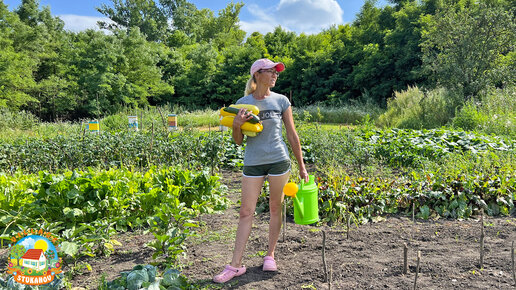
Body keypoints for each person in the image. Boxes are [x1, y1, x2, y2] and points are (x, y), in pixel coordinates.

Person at [213, 58, 309, 283]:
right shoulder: (242, 103)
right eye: (271, 71)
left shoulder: (281, 101)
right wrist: (237, 125)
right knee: (246, 212)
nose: (275, 74)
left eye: (277, 72)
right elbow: (238, 141)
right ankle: (235, 265)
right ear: (257, 74)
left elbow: (292, 135)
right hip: (253, 162)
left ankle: (270, 255)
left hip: (278, 160)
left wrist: (302, 167)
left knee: (276, 208)